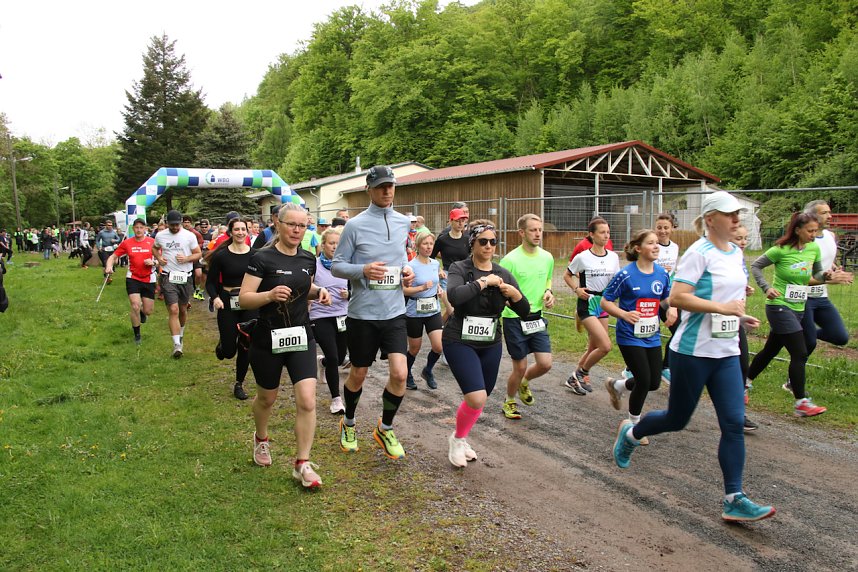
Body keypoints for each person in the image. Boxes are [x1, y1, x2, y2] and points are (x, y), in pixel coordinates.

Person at [612, 191, 776, 523]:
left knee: (733, 423)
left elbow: (729, 300)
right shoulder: (698, 254)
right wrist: (722, 309)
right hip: (693, 352)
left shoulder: (735, 253)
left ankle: (734, 498)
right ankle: (631, 434)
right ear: (711, 219)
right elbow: (678, 298)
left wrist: (739, 317)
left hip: (727, 352)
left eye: (738, 214)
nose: (736, 219)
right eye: (730, 214)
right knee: (677, 419)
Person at [238, 203, 331, 488]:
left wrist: (319, 291)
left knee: (307, 400)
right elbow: (244, 298)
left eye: (302, 226)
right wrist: (269, 295)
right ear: (278, 224)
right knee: (267, 398)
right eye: (291, 224)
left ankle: (302, 463)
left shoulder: (308, 258)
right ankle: (261, 438)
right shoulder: (261, 258)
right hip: (268, 338)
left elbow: (304, 288)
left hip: (301, 335)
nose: (297, 230)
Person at [331, 165, 415, 459]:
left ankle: (385, 428)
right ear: (369, 190)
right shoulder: (354, 225)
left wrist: (406, 270)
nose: (387, 191)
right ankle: (349, 422)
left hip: (394, 312)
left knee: (400, 374)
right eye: (380, 186)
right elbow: (337, 266)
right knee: (359, 373)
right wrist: (363, 270)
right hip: (363, 315)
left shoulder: (403, 222)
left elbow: (401, 258)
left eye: (390, 185)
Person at [444, 220, 530, 467]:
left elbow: (524, 310)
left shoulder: (503, 273)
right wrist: (483, 283)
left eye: (493, 242)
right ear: (473, 243)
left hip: (490, 342)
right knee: (476, 397)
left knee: (481, 397)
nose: (489, 246)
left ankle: (462, 436)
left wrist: (514, 294)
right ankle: (456, 440)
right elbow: (454, 296)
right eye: (483, 241)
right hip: (459, 339)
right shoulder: (460, 268)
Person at [747, 212, 844, 417]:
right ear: (798, 230)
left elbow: (815, 276)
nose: (813, 235)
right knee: (800, 352)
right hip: (779, 306)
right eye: (810, 231)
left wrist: (827, 276)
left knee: (770, 350)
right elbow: (756, 266)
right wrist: (766, 287)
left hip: (799, 307)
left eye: (815, 231)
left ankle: (743, 384)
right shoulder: (780, 250)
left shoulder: (813, 249)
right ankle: (801, 402)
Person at [601, 230, 672, 444]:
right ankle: (634, 426)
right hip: (629, 335)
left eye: (657, 243)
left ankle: (618, 386)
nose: (656, 246)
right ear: (638, 248)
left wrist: (672, 311)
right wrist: (624, 314)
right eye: (651, 243)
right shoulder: (625, 275)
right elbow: (605, 302)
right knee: (643, 380)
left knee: (654, 383)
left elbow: (665, 300)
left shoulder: (662, 274)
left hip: (651, 335)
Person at [498, 214, 555, 419]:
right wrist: (514, 304)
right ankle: (509, 401)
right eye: (533, 230)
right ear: (522, 233)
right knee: (520, 366)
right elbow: (500, 291)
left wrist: (548, 292)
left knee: (545, 363)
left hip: (536, 317)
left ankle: (524, 382)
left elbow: (548, 279)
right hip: (513, 318)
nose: (538, 234)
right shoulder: (510, 260)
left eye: (540, 229)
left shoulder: (547, 257)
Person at [793, 200, 853, 382]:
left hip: (821, 297)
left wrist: (835, 269)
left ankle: (796, 334)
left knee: (840, 337)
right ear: (811, 216)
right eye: (824, 213)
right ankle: (793, 382)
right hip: (803, 297)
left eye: (829, 212)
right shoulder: (803, 242)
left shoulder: (830, 236)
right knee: (809, 343)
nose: (830, 216)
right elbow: (799, 273)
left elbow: (826, 260)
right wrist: (829, 279)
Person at [563, 217, 620, 394]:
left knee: (594, 347)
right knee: (605, 346)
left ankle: (574, 378)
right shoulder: (583, 257)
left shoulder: (613, 257)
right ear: (592, 235)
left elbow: (617, 281)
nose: (606, 236)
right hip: (587, 304)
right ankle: (581, 373)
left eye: (608, 232)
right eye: (602, 232)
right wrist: (576, 289)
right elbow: (567, 275)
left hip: (604, 304)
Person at [206, 217, 257, 400]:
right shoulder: (221, 256)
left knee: (245, 345)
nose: (240, 232)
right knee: (229, 352)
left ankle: (239, 383)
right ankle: (224, 345)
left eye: (243, 229)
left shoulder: (255, 256)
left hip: (248, 302)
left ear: (247, 232)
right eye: (237, 229)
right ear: (230, 232)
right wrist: (215, 298)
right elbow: (210, 283)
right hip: (227, 301)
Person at [309, 227, 350, 414]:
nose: (335, 247)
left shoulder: (345, 265)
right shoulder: (314, 265)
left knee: (340, 358)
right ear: (323, 245)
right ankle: (336, 400)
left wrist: (349, 294)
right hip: (320, 316)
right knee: (334, 357)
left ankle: (323, 363)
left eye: (338, 244)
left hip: (342, 316)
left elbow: (357, 288)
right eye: (331, 243)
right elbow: (306, 287)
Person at [153, 210, 202, 358]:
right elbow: (154, 248)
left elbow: (198, 253)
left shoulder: (189, 236)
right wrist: (159, 258)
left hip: (185, 276)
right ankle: (176, 345)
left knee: (182, 309)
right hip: (168, 276)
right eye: (172, 225)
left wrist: (186, 258)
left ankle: (180, 335)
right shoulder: (161, 235)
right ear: (167, 223)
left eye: (177, 225)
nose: (174, 227)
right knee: (173, 309)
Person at [104, 219, 157, 344]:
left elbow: (162, 259)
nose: (139, 230)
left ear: (145, 229)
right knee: (135, 305)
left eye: (141, 227)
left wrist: (154, 262)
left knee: (148, 311)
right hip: (133, 278)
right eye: (136, 227)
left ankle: (143, 313)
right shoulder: (127, 243)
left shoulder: (153, 242)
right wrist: (109, 266)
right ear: (133, 229)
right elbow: (113, 256)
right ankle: (137, 335)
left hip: (149, 278)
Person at [403, 232, 444, 390]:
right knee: (414, 348)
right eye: (425, 244)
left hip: (433, 310)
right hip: (415, 312)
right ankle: (407, 373)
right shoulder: (410, 266)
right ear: (418, 246)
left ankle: (428, 370)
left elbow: (434, 281)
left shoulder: (435, 263)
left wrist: (438, 288)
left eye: (431, 244)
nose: (428, 247)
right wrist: (421, 288)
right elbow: (404, 290)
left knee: (439, 346)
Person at [731, 224, 760, 432]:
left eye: (745, 239)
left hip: (735, 321)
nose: (742, 243)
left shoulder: (739, 259)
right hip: (711, 323)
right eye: (738, 238)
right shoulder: (712, 258)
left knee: (742, 365)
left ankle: (738, 415)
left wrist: (744, 289)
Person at [432, 208, 470, 326]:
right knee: (452, 310)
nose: (460, 223)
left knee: (459, 309)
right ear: (451, 221)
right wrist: (438, 269)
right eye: (458, 221)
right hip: (447, 276)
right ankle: (440, 328)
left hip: (464, 276)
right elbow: (431, 257)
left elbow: (471, 258)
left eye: (463, 221)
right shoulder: (442, 240)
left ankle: (439, 327)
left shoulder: (467, 239)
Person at [654, 213, 681, 383]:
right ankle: (631, 369)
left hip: (666, 298)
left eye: (666, 228)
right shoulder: (651, 245)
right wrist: (659, 269)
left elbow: (673, 273)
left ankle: (665, 367)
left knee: (679, 330)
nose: (662, 231)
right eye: (659, 227)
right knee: (649, 334)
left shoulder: (675, 247)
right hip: (649, 296)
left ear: (672, 229)